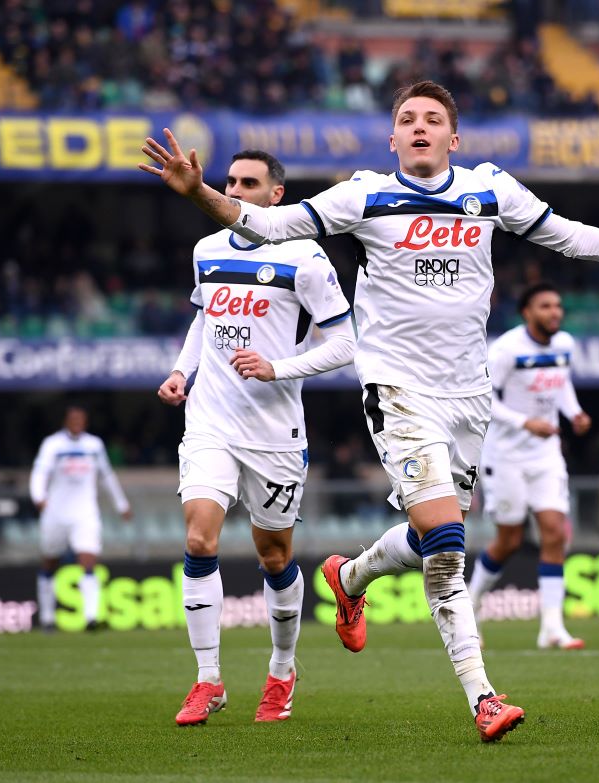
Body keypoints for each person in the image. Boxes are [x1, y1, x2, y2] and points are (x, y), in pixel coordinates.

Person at [139, 80, 599, 742]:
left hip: (468, 396)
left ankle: (351, 573)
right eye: (407, 119)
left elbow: (571, 237)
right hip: (398, 390)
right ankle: (483, 696)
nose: (419, 126)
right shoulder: (365, 194)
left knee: (434, 535)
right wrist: (199, 192)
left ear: (453, 138)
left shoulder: (489, 191)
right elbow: (271, 223)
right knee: (449, 547)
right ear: (392, 138)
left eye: (433, 119)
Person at [154, 150, 355, 726]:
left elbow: (345, 344)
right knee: (198, 540)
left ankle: (282, 668)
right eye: (230, 181)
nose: (235, 190)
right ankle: (208, 680)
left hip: (274, 433)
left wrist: (277, 368)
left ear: (276, 197)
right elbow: (204, 319)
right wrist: (181, 371)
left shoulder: (305, 257)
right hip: (211, 423)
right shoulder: (207, 250)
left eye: (250, 183)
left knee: (274, 557)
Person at [467, 283, 591, 651]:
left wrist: (574, 413)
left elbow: (561, 385)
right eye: (545, 306)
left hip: (546, 453)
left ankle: (552, 628)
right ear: (527, 312)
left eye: (558, 306)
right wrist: (526, 422)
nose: (555, 312)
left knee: (555, 532)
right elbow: (482, 399)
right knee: (509, 540)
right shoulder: (505, 350)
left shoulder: (565, 345)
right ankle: (471, 605)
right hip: (505, 455)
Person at [30, 406, 132, 632]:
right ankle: (47, 618)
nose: (76, 422)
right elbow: (40, 472)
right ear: (66, 421)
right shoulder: (53, 444)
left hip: (85, 512)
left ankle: (91, 617)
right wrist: (38, 496)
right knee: (49, 562)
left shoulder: (94, 445)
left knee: (88, 561)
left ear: (85, 422)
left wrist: (121, 504)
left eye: (80, 419)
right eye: (72, 419)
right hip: (55, 512)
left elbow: (107, 476)